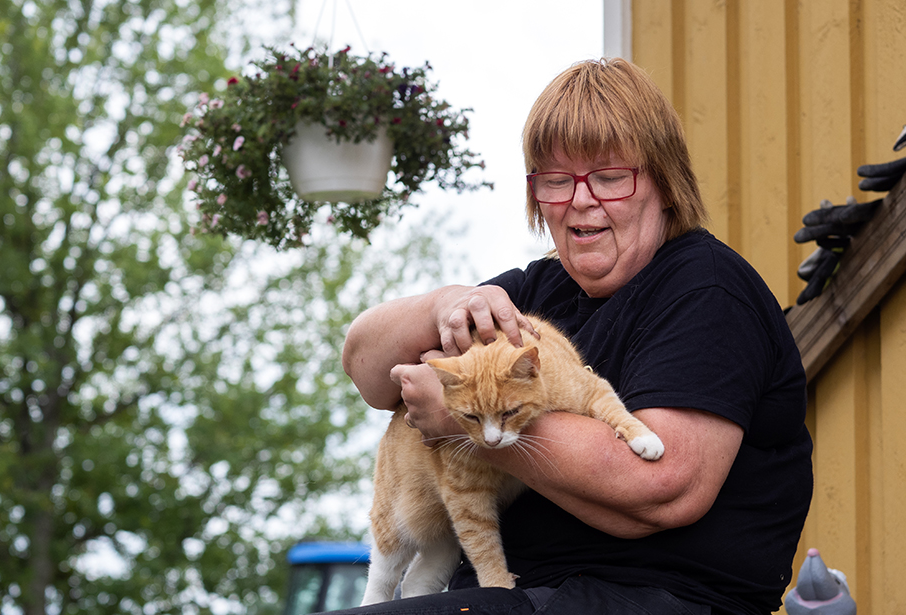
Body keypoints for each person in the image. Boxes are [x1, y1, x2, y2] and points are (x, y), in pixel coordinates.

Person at [339, 57, 812, 615]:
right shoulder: (535, 291)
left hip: (651, 598)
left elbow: (662, 487)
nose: (581, 200)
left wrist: (455, 419)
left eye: (610, 177)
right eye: (557, 181)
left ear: (664, 183)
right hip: (519, 594)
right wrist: (446, 303)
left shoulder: (706, 288)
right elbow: (366, 367)